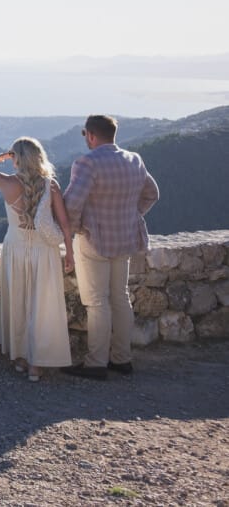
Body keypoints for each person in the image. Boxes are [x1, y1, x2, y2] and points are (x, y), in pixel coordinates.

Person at [62, 114, 160, 380]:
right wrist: (132, 215)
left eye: (85, 136)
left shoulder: (87, 163)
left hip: (94, 241)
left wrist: (73, 230)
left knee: (96, 303)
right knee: (121, 298)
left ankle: (96, 363)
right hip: (125, 238)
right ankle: (122, 359)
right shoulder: (134, 160)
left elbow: (71, 204)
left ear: (91, 135)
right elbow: (152, 193)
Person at [0, 137, 74, 381]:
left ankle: (20, 358)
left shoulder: (7, 183)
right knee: (41, 306)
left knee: (18, 303)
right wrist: (70, 252)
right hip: (44, 251)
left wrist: (1, 156)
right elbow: (64, 223)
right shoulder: (51, 186)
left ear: (17, 158)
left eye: (14, 157)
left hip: (16, 249)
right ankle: (36, 366)